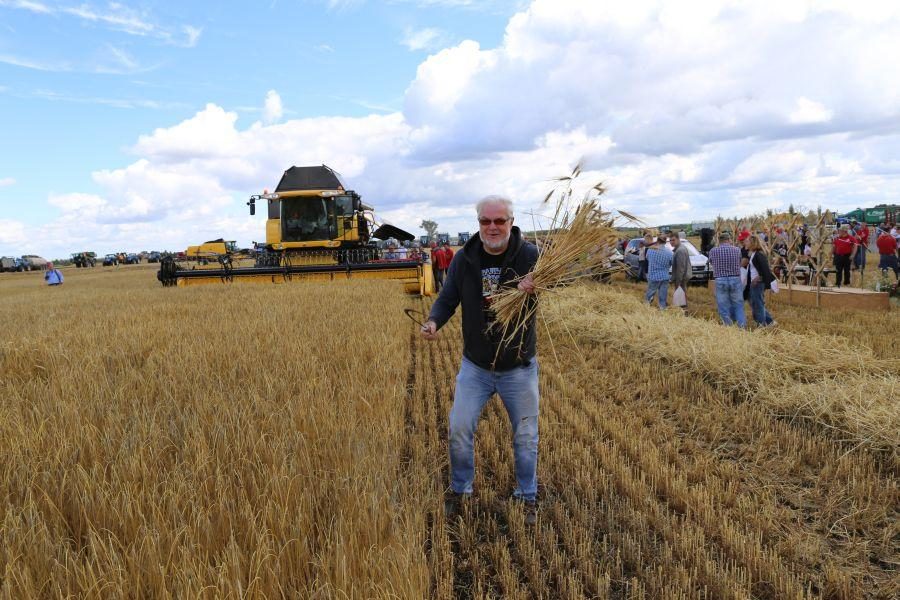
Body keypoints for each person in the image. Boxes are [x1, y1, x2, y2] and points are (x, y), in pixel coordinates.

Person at [421, 195, 540, 524]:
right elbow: (448, 298)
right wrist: (433, 321)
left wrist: (538, 285)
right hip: (476, 366)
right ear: (478, 224)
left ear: (510, 223)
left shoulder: (530, 255)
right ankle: (461, 490)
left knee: (526, 436)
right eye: (485, 221)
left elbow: (557, 284)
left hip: (518, 367)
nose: (492, 227)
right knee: (459, 428)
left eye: (499, 221)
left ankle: (527, 496)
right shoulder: (465, 259)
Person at [708, 232, 746, 327]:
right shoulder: (737, 250)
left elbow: (712, 263)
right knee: (738, 304)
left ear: (719, 241)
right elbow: (739, 262)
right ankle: (741, 326)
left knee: (723, 305)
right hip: (735, 278)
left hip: (720, 279)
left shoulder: (713, 251)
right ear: (729, 240)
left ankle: (728, 326)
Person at [744, 235, 777, 327]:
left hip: (758, 284)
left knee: (758, 304)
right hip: (754, 284)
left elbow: (765, 269)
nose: (745, 243)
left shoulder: (758, 255)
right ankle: (769, 322)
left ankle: (761, 324)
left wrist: (759, 278)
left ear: (753, 243)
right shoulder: (754, 254)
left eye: (747, 241)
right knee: (756, 303)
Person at [645, 235, 673, 309]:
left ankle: (646, 307)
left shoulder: (650, 250)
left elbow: (647, 259)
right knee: (662, 297)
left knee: (649, 294)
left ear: (657, 241)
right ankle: (662, 309)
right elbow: (671, 263)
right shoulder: (669, 252)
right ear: (665, 242)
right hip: (664, 277)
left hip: (653, 276)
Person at [670, 234, 691, 309]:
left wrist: (678, 281)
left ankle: (684, 311)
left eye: (673, 240)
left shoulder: (680, 250)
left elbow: (680, 268)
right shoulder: (679, 249)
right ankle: (682, 310)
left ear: (678, 239)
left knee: (681, 295)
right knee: (681, 295)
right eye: (670, 240)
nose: (671, 242)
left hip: (681, 277)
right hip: (682, 276)